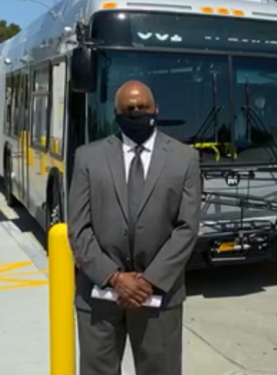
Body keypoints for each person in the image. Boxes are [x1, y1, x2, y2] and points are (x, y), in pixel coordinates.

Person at [67, 80, 202, 375]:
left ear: (157, 110)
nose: (136, 112)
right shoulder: (88, 157)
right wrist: (114, 277)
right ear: (116, 113)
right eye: (128, 109)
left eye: (143, 107)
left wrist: (148, 281)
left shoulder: (185, 159)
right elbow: (78, 228)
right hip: (99, 298)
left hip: (159, 296)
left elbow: (187, 227)